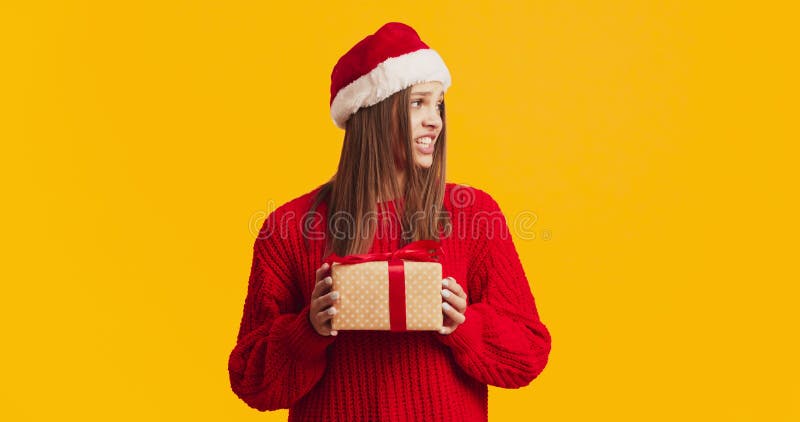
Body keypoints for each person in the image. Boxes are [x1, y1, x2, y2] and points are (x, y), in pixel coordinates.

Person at [228, 22, 551, 421]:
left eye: (438, 105)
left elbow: (528, 356)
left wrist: (464, 325)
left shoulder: (474, 215)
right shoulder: (290, 228)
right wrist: (306, 331)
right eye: (418, 103)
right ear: (374, 111)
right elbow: (251, 381)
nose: (435, 120)